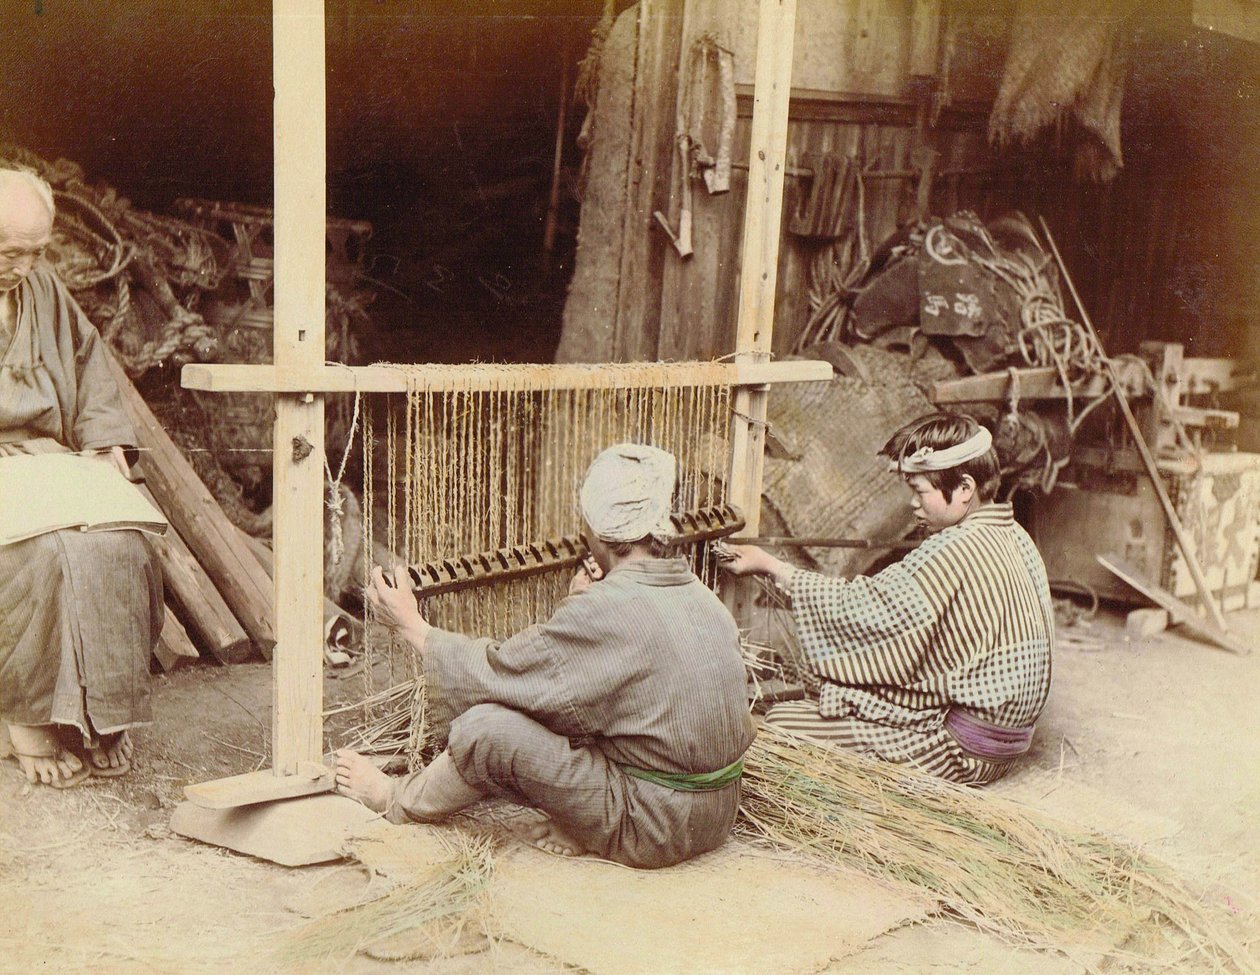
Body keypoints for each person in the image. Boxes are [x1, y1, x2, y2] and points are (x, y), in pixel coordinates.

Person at [335, 443, 755, 868]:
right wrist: (583, 607)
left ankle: (395, 799)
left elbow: (505, 674)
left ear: (594, 530)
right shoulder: (704, 600)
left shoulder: (606, 609)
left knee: (488, 730)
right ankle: (586, 825)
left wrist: (412, 625)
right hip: (715, 815)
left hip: (654, 826)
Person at [720, 413, 1053, 785]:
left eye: (920, 490)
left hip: (961, 751)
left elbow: (864, 611)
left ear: (963, 489)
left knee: (784, 722)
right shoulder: (1017, 537)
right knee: (839, 695)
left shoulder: (953, 548)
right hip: (1007, 743)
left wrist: (770, 565)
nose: (913, 504)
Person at [0, 167, 163, 788]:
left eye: (37, 250)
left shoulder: (42, 286)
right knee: (40, 555)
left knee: (120, 542)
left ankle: (102, 718)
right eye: (12, 251)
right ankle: (28, 723)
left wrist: (104, 443)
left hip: (51, 463)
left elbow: (91, 365)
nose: (26, 264)